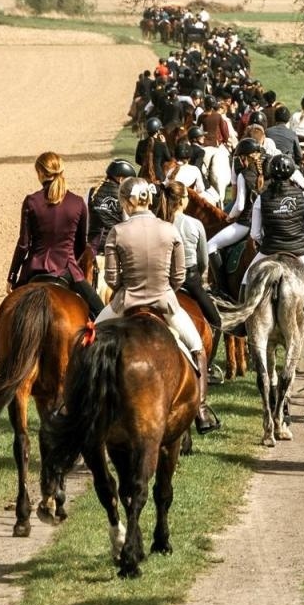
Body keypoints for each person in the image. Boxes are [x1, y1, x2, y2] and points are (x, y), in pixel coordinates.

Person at [101, 178, 220, 433]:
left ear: (125, 201)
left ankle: (75, 405)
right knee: (197, 348)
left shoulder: (118, 232)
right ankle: (200, 409)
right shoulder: (169, 230)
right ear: (149, 200)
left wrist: (128, 285)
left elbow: (111, 278)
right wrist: (163, 291)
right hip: (164, 302)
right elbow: (178, 276)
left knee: (87, 341)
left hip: (125, 302)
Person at [8, 152, 100, 317]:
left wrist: (12, 276)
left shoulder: (31, 201)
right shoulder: (77, 202)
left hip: (34, 269)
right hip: (67, 269)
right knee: (101, 311)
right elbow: (80, 245)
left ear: (41, 173)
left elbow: (23, 244)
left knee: (7, 312)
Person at [163, 181, 223, 369]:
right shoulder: (194, 224)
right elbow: (203, 260)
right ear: (182, 200)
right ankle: (209, 366)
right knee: (216, 321)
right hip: (191, 280)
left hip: (164, 280)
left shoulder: (160, 222)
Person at [243, 153, 304, 291]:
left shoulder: (261, 198)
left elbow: (255, 234)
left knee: (245, 281)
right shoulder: (302, 196)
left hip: (269, 249)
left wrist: (266, 243)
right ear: (291, 173)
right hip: (299, 250)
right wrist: (297, 239)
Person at [206, 137, 263, 262]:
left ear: (244, 157)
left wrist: (229, 217)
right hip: (262, 223)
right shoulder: (263, 173)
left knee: (210, 246)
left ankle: (221, 282)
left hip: (245, 224)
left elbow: (240, 206)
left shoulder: (244, 175)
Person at [88, 158, 136, 254]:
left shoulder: (92, 191)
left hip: (93, 245)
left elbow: (87, 219)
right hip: (114, 245)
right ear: (121, 179)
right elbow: (127, 223)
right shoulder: (124, 195)